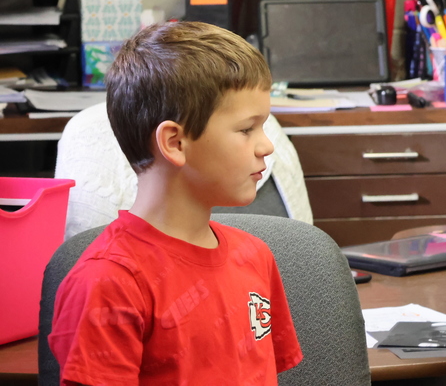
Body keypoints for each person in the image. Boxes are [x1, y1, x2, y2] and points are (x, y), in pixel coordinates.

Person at [49, 22, 303, 385]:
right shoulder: (107, 283)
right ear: (175, 142)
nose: (266, 146)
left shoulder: (255, 256)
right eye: (247, 129)